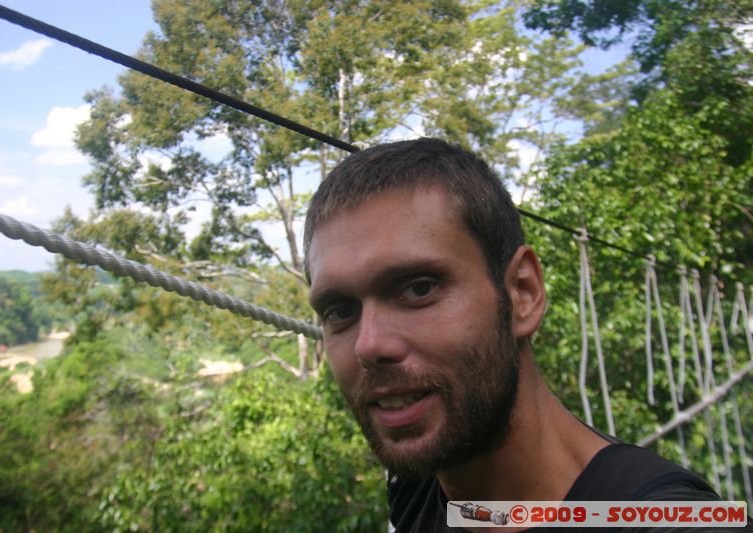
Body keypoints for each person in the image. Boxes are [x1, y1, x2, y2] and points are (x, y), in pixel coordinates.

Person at [302, 138, 748, 532]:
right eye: (340, 311)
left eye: (419, 289)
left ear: (522, 293)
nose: (369, 345)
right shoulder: (422, 482)